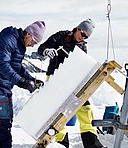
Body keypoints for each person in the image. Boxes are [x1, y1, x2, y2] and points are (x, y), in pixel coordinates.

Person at [38, 19, 105, 148]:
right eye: (83, 34)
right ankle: (61, 142)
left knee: (85, 109)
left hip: (72, 81)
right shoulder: (61, 36)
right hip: (54, 77)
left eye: (87, 37)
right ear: (78, 29)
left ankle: (92, 143)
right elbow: (41, 48)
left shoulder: (82, 47)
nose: (83, 38)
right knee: (57, 112)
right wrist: (47, 51)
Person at [0, 21, 46, 148]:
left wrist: (31, 79)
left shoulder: (18, 44)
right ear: (28, 34)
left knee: (5, 123)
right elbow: (2, 65)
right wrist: (22, 82)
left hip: (3, 86)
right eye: (33, 41)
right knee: (3, 124)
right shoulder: (8, 40)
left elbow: (17, 67)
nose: (33, 45)